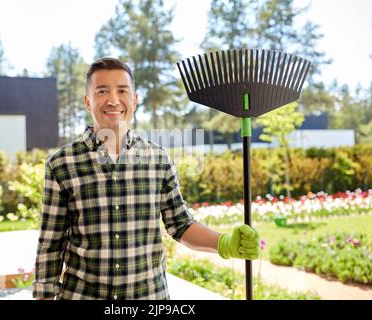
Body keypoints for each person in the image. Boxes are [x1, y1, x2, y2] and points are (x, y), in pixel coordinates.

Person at [32, 57, 261, 300]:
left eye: (122, 91)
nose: (113, 100)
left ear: (135, 100)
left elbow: (180, 224)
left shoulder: (158, 159)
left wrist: (224, 243)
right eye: (102, 91)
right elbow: (51, 244)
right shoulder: (61, 164)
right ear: (88, 102)